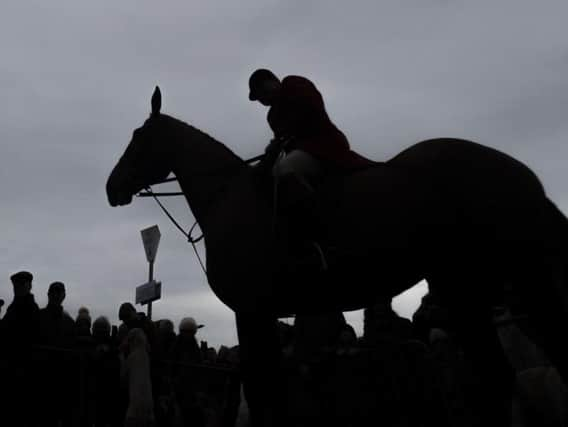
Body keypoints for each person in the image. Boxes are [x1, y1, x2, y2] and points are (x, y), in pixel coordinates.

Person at [248, 68, 375, 270]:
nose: (262, 102)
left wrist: (284, 138)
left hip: (324, 146)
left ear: (271, 82)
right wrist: (269, 156)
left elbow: (310, 109)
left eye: (260, 94)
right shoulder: (272, 116)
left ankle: (318, 232)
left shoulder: (295, 84)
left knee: (285, 170)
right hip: (303, 152)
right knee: (276, 174)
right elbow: (283, 141)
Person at [39, 281, 75, 348]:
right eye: (53, 292)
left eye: (58, 292)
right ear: (48, 294)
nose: (55, 295)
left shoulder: (70, 323)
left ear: (64, 296)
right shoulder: (36, 316)